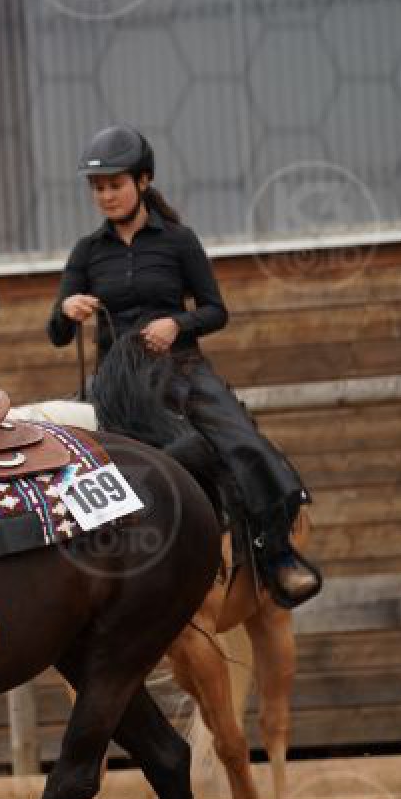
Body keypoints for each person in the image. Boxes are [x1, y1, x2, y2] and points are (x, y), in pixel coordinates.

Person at [47, 125, 322, 608]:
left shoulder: (178, 241)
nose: (106, 195)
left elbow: (216, 311)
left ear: (143, 181)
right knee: (72, 467)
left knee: (242, 442)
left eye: (115, 185)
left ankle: (276, 555)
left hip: (181, 370)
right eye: (98, 188)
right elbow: (57, 334)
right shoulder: (87, 252)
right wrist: (66, 310)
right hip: (117, 386)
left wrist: (177, 323)